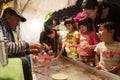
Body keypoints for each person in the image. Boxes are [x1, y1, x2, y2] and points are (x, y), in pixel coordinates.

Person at [0, 7, 42, 80]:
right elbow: (4, 48)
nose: (18, 23)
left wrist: (29, 51)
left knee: (26, 59)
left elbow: (12, 51)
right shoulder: (0, 27)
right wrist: (29, 44)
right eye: (17, 20)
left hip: (4, 60)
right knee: (24, 61)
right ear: (7, 16)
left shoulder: (9, 31)